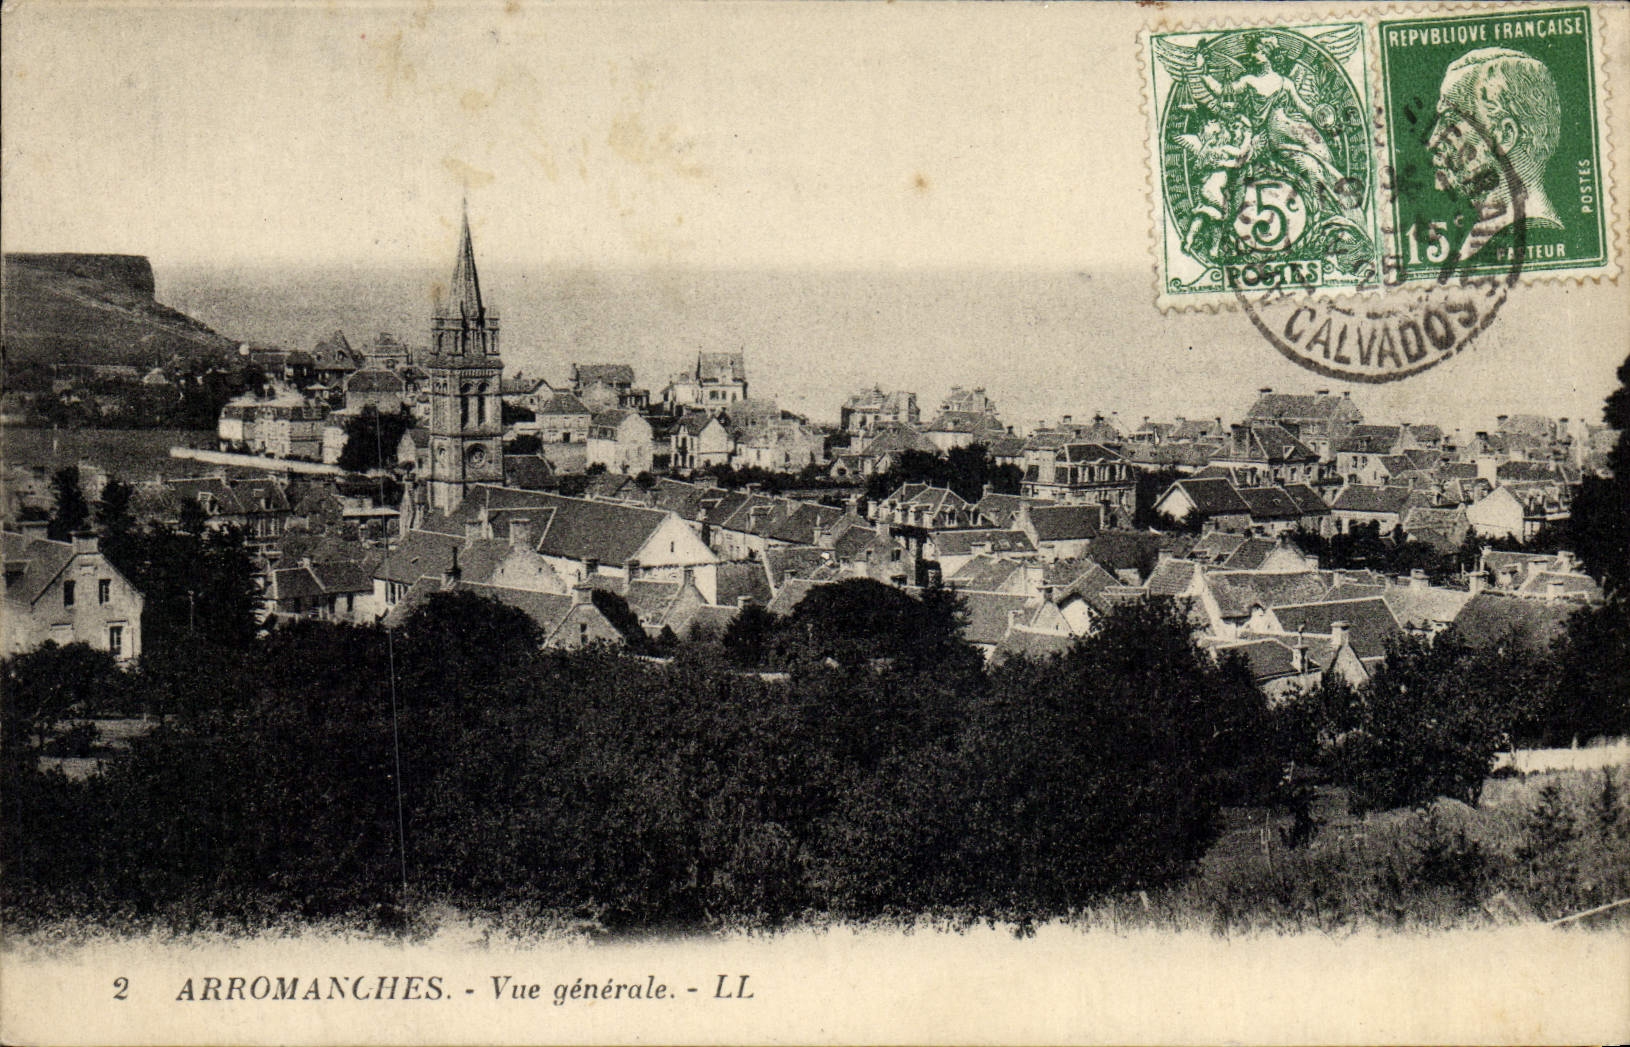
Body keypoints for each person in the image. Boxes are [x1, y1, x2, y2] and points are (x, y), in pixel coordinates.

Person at [1426, 46, 1564, 264]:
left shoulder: (1533, 235)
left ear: (1505, 135)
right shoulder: (1488, 239)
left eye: (1451, 122)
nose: (1433, 141)